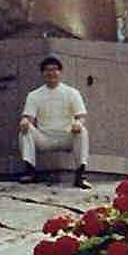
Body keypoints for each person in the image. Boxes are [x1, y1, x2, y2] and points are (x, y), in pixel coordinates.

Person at [18, 56, 92, 189]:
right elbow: (28, 117)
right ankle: (30, 172)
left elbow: (81, 116)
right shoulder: (34, 95)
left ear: (60, 72)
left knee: (83, 131)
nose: (51, 73)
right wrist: (25, 121)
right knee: (25, 130)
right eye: (47, 70)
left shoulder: (72, 93)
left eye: (54, 69)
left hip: (66, 136)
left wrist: (78, 123)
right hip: (44, 138)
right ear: (43, 73)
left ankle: (80, 175)